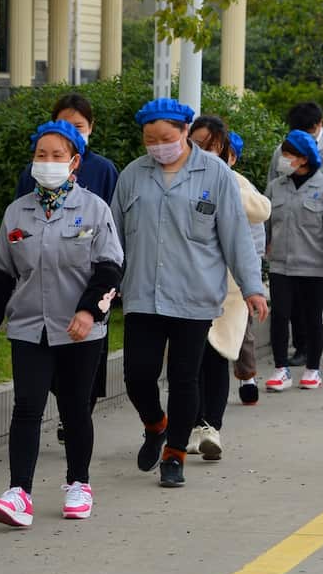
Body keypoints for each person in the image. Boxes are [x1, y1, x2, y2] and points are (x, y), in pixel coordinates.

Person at [0, 120, 123, 525]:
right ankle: (19, 492)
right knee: (27, 406)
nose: (48, 161)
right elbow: (2, 272)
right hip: (29, 326)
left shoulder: (95, 209)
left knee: (75, 407)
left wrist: (89, 311)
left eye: (57, 155)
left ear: (74, 162)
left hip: (79, 329)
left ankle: (79, 483)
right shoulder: (17, 212)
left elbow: (110, 268)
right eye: (41, 154)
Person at [113, 99, 268, 488]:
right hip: (143, 293)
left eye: (165, 137)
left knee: (185, 379)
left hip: (195, 296)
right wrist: (104, 286)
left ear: (185, 132)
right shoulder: (133, 175)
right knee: (137, 376)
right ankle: (155, 425)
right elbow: (112, 237)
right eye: (150, 139)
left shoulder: (216, 174)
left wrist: (253, 288)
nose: (158, 145)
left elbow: (236, 235)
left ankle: (175, 455)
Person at [12, 93, 120, 442]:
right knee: (34, 392)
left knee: (82, 383)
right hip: (37, 301)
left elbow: (112, 238)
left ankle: (75, 424)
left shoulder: (103, 172)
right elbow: (14, 240)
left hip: (88, 289)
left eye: (78, 125)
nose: (49, 162)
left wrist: (104, 293)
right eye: (42, 154)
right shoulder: (29, 181)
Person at [185, 117, 270, 460]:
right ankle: (190, 424)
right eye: (198, 144)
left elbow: (262, 209)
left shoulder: (234, 181)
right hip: (185, 285)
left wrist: (223, 183)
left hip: (226, 291)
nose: (204, 152)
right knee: (187, 363)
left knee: (217, 355)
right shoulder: (177, 179)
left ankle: (210, 427)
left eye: (213, 147)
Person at [265, 131, 323, 392]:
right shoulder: (276, 187)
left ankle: (313, 369)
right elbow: (264, 225)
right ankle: (281, 369)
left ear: (303, 158)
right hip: (280, 265)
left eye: (288, 154)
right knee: (280, 316)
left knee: (312, 318)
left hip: (316, 267)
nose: (282, 159)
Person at [227, 132, 263, 406]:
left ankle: (247, 376)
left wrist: (250, 275)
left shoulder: (241, 186)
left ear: (233, 158)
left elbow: (256, 234)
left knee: (242, 329)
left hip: (235, 276)